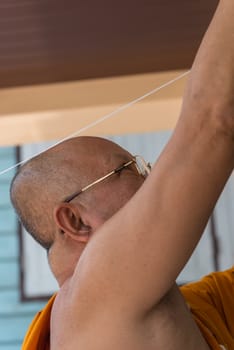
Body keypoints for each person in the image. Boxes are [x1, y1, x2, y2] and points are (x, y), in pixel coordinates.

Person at [10, 0, 234, 349]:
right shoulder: (93, 294)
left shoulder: (183, 303)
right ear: (74, 221)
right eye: (128, 170)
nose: (151, 178)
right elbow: (214, 122)